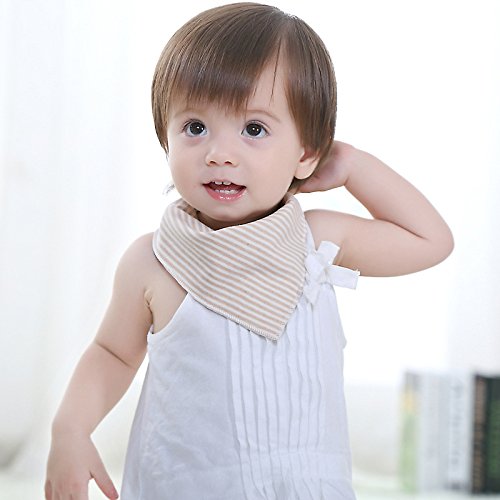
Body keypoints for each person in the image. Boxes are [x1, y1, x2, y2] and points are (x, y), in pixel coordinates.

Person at [44, 2, 454, 499]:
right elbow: (111, 354)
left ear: (306, 153)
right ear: (165, 139)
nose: (219, 153)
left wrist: (352, 165)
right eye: (195, 128)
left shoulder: (315, 241)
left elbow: (430, 241)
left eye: (254, 129)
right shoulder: (153, 261)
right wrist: (70, 428)